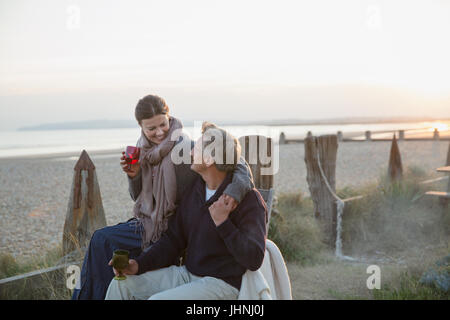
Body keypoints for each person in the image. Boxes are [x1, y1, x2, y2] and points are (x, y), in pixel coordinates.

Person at [72, 95, 254, 300]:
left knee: (103, 240)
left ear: (169, 118)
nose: (159, 132)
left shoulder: (186, 147)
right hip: (150, 221)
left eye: (163, 124)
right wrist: (135, 175)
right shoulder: (145, 150)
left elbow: (234, 160)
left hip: (172, 224)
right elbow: (137, 196)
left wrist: (235, 190)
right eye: (151, 128)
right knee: (102, 244)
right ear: (141, 127)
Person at [105, 122, 267, 300]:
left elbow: (254, 259)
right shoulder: (196, 190)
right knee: (121, 284)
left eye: (196, 148)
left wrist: (223, 223)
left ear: (209, 159)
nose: (190, 153)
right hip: (187, 274)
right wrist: (138, 265)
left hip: (222, 284)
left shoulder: (248, 200)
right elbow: (173, 239)